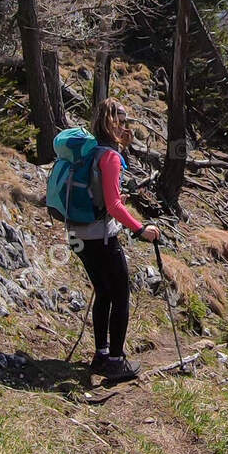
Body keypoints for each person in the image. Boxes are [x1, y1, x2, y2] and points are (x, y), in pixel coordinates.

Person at [72, 98, 160, 381]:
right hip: (101, 236)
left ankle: (101, 355)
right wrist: (139, 229)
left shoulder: (90, 151)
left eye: (125, 121)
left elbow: (104, 196)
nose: (122, 126)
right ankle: (115, 361)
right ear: (107, 122)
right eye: (118, 121)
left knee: (103, 292)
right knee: (121, 295)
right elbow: (113, 205)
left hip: (78, 233)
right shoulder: (108, 156)